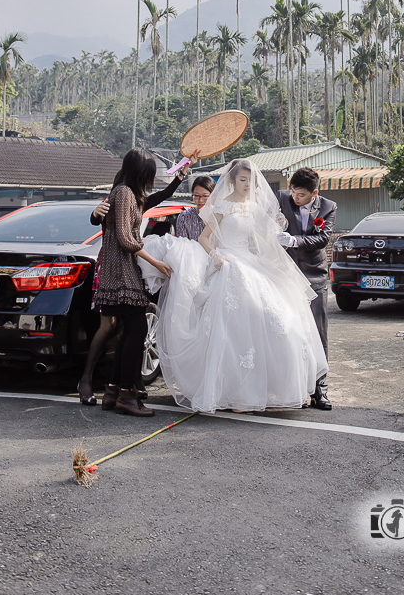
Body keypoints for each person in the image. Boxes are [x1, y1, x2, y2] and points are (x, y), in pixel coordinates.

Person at [140, 158, 327, 414]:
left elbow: (267, 235)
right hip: (227, 262)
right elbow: (204, 238)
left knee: (273, 318)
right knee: (226, 328)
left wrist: (278, 229)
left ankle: (259, 389)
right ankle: (229, 390)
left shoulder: (254, 207)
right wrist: (215, 255)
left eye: (250, 180)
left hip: (250, 263)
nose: (247, 185)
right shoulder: (222, 206)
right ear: (232, 181)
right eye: (242, 180)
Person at [77, 148, 199, 409]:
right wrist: (155, 261)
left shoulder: (131, 195)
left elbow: (161, 197)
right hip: (117, 268)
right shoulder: (123, 194)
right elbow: (124, 238)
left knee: (126, 329)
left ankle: (115, 390)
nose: (150, 179)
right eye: (149, 174)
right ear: (140, 172)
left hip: (123, 265)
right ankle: (121, 391)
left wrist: (183, 171)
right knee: (127, 328)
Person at [276, 168, 337, 410]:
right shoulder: (281, 198)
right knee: (290, 330)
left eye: (301, 194)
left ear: (315, 193)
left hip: (314, 274)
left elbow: (323, 238)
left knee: (317, 331)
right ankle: (296, 388)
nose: (295, 197)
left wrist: (294, 240)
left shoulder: (328, 207)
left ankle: (320, 389)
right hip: (285, 273)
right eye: (293, 191)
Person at [175, 174, 216, 240]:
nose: (200, 200)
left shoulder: (219, 214)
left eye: (205, 196)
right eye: (196, 195)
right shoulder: (185, 217)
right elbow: (183, 244)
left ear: (213, 195)